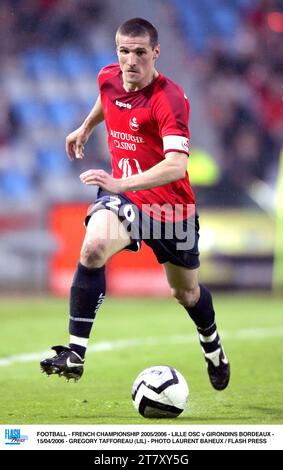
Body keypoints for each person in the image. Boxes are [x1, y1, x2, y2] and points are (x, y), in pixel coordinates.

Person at [40, 18, 230, 390]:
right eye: (124, 51)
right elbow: (107, 98)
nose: (130, 60)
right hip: (124, 196)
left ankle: (213, 347)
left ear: (156, 53)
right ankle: (75, 352)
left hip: (169, 209)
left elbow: (176, 166)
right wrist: (86, 127)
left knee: (186, 293)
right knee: (93, 248)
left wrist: (120, 180)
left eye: (140, 52)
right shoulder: (109, 76)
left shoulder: (168, 99)